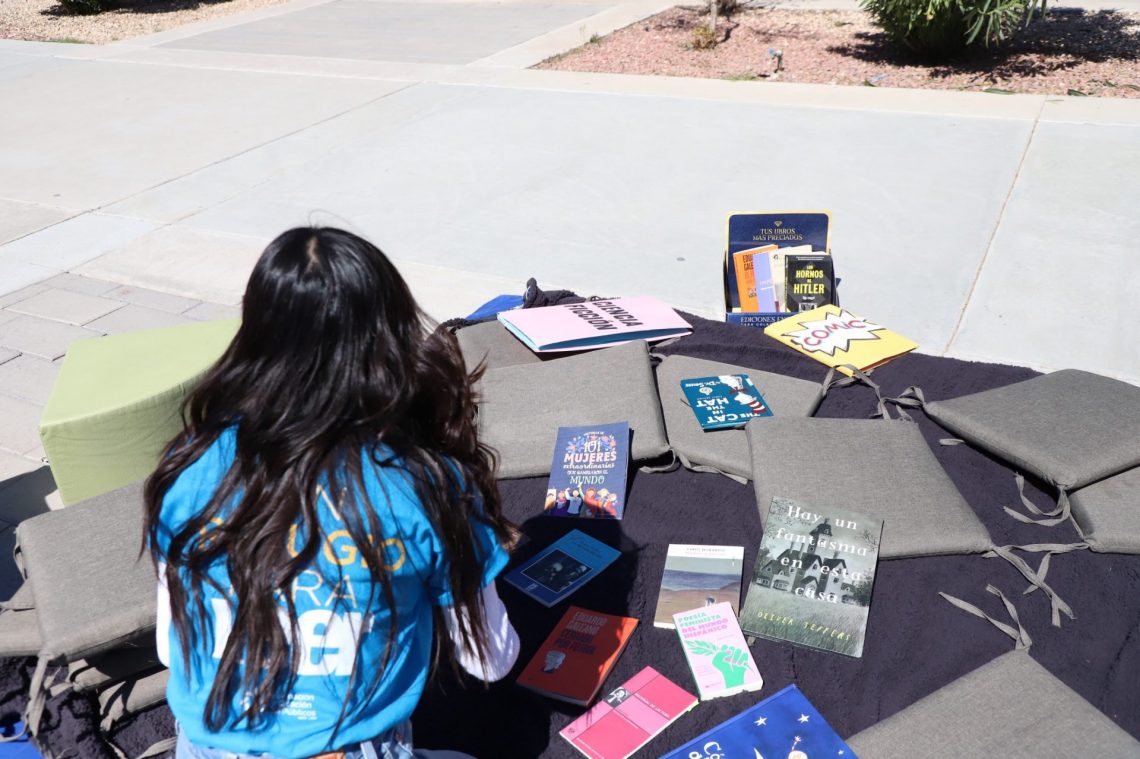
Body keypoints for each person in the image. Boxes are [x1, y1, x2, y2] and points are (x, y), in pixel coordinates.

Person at [143, 227, 519, 759]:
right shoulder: (423, 484)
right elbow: (491, 660)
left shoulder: (188, 467)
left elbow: (171, 647)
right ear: (390, 338)